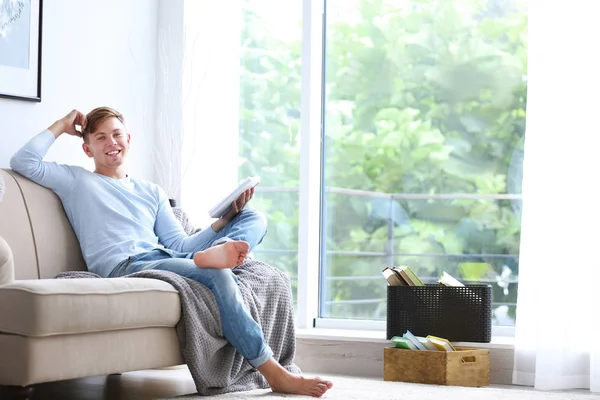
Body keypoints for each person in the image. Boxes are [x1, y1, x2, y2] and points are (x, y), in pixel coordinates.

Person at [10, 107, 333, 398]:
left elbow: (180, 245)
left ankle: (220, 251)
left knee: (253, 218)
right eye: (101, 138)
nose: (112, 142)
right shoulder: (75, 180)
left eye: (117, 134)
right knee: (216, 272)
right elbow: (23, 162)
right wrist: (62, 124)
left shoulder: (151, 192)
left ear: (129, 139)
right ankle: (274, 372)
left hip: (167, 257)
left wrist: (225, 220)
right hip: (126, 265)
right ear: (87, 147)